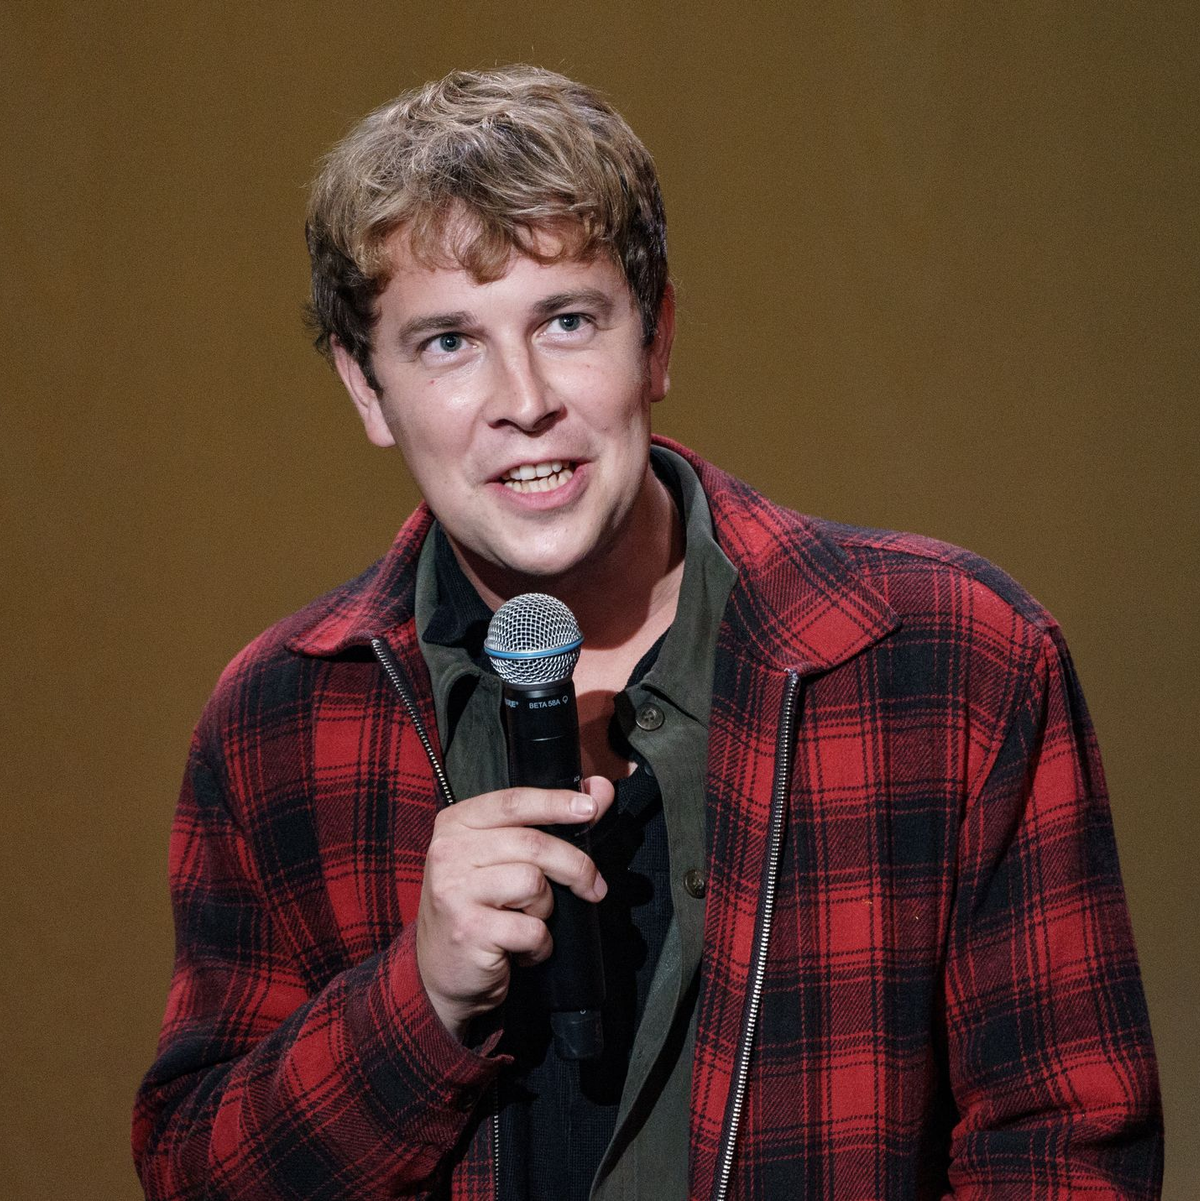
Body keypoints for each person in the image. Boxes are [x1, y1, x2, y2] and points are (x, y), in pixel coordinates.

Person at [133, 65, 1162, 1199]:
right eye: (447, 344)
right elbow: (200, 1172)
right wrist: (415, 1003)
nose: (523, 396)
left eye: (567, 321)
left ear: (656, 338)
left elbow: (1068, 1147)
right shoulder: (282, 717)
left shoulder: (949, 657)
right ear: (367, 390)